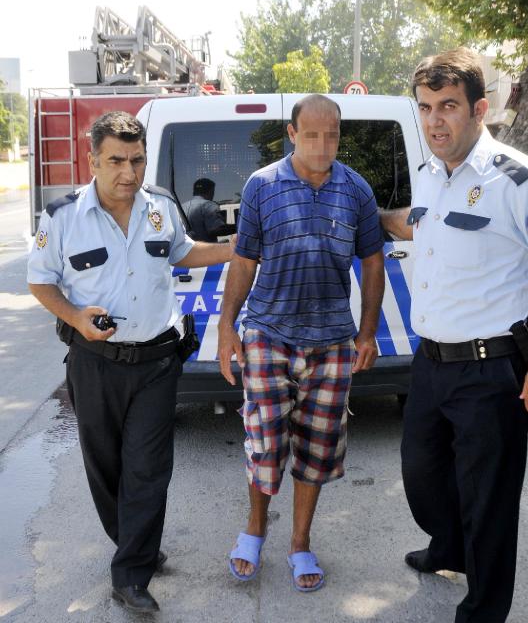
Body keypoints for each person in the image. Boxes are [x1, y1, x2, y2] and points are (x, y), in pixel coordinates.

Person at [380, 48, 528, 623]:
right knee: (422, 476)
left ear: (479, 109)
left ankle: (483, 609)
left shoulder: (518, 179)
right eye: (425, 107)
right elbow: (418, 224)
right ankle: (448, 546)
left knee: (488, 500)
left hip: (491, 368)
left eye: (448, 106)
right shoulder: (430, 174)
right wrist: (371, 218)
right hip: (431, 363)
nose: (434, 120)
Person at [27, 111, 234, 613]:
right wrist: (75, 316)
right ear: (93, 161)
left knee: (148, 468)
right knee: (105, 467)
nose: (129, 172)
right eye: (117, 160)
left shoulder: (160, 205)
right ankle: (134, 540)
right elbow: (40, 280)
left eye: (137, 160)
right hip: (94, 363)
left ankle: (131, 573)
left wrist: (233, 249)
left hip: (157, 363)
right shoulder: (62, 217)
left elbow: (182, 252)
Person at [218, 94, 384, 592]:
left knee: (317, 448)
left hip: (332, 342)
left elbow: (372, 261)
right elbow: (244, 260)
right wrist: (227, 327)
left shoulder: (356, 190)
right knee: (265, 444)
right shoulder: (262, 186)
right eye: (311, 134)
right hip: (268, 335)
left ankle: (299, 542)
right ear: (292, 134)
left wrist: (367, 332)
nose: (322, 145)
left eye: (331, 135)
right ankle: (254, 530)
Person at [182, 177, 236, 242]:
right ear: (210, 191)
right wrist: (238, 227)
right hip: (206, 247)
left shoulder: (182, 207)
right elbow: (216, 230)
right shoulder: (209, 205)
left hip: (187, 248)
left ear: (194, 191)